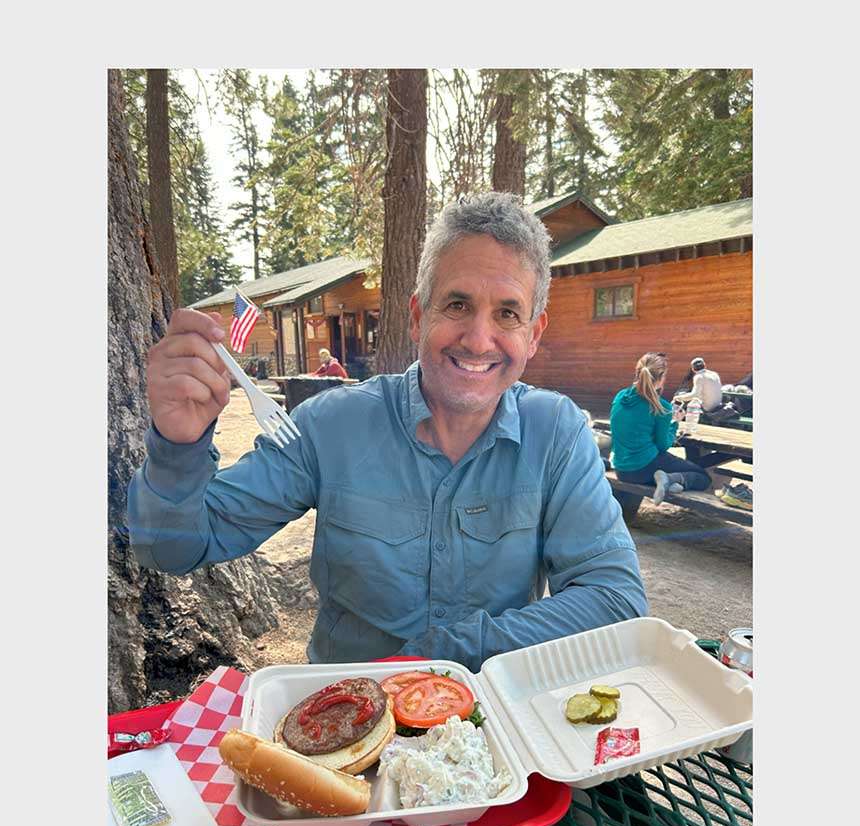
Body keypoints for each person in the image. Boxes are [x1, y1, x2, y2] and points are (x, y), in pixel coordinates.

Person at [127, 191, 647, 672]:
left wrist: (444, 656)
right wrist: (177, 446)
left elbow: (615, 599)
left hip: (494, 721)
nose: (478, 338)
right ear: (419, 317)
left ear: (533, 335)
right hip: (341, 721)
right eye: (458, 305)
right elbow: (172, 551)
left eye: (507, 313)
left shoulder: (556, 433)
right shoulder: (331, 426)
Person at [610, 352, 711, 504]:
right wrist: (674, 422)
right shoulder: (661, 407)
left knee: (675, 467)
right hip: (643, 468)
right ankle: (669, 479)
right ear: (661, 377)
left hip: (621, 469)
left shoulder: (620, 397)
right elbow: (663, 445)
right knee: (702, 476)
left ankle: (673, 482)